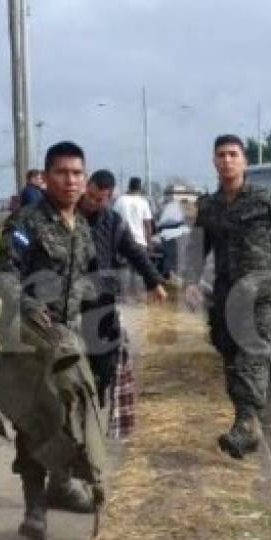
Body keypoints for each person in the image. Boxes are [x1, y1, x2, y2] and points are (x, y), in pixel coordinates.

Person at [183, 134, 271, 459]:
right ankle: (248, 422)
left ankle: (245, 423)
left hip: (264, 291)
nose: (227, 160)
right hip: (226, 295)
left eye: (233, 154)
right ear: (214, 162)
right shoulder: (209, 206)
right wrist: (190, 281)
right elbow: (197, 248)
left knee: (253, 352)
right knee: (230, 356)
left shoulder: (265, 199)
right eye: (221, 155)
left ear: (244, 161)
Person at [0, 142, 104, 540]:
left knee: (72, 417)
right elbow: (3, 276)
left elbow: (85, 279)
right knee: (34, 419)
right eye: (61, 172)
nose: (70, 181)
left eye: (77, 173)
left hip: (69, 338)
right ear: (46, 175)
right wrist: (23, 302)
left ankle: (61, 486)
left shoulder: (83, 226)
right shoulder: (26, 222)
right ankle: (34, 506)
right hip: (28, 337)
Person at [79, 170, 166, 408]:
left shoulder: (113, 222)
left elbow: (135, 253)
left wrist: (154, 281)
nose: (94, 203)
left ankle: (100, 384)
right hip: (70, 297)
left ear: (109, 198)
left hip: (101, 296)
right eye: (91, 197)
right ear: (87, 188)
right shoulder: (68, 215)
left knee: (105, 350)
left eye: (100, 200)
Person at [155, 187, 190, 278]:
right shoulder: (178, 205)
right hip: (180, 233)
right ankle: (176, 276)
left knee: (169, 258)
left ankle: (171, 277)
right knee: (179, 258)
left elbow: (157, 222)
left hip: (168, 234)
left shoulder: (164, 205)